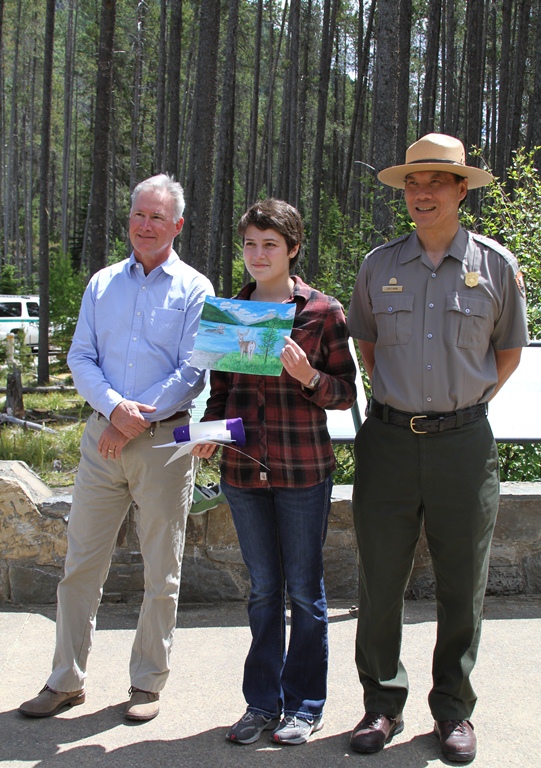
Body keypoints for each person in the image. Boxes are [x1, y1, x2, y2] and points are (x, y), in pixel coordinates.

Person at [347, 133, 529, 763]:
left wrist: (460, 403)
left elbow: (506, 354)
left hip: (463, 446)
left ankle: (453, 710)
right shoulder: (378, 267)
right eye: (412, 184)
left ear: (460, 190)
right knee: (379, 578)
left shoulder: (498, 267)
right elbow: (368, 351)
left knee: (462, 584)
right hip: (390, 442)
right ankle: (380, 703)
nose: (421, 193)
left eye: (435, 182)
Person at [19, 174, 214, 721]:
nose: (146, 225)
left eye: (158, 217)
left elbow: (192, 372)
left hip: (163, 445)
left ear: (177, 225)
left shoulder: (196, 288)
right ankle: (65, 681)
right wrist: (112, 410)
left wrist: (129, 421)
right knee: (80, 565)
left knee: (161, 570)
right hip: (100, 441)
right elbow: (81, 358)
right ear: (128, 219)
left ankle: (147, 684)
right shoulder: (102, 284)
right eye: (138, 214)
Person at [193, 199, 357, 746]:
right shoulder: (229, 311)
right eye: (249, 244)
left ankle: (304, 706)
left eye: (269, 244)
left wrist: (309, 376)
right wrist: (209, 436)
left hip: (303, 471)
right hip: (244, 473)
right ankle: (261, 703)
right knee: (264, 591)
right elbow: (221, 394)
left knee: (305, 594)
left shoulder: (323, 312)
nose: (257, 255)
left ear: (292, 248)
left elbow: (345, 394)